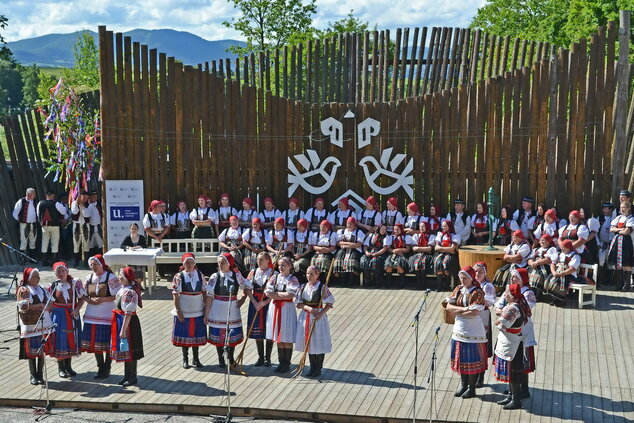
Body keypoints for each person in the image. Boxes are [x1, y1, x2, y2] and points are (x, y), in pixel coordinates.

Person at [445, 266, 487, 399]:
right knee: (462, 358)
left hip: (473, 329)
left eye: (465, 278)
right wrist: (464, 309)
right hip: (459, 328)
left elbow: (475, 312)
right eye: (461, 278)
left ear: (471, 278)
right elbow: (448, 306)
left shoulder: (478, 292)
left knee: (472, 359)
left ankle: (471, 387)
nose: (462, 281)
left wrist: (457, 310)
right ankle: (463, 384)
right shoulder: (458, 289)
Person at [204, 253, 249, 368]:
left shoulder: (236, 275)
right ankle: (221, 358)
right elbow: (209, 295)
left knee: (231, 333)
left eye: (222, 262)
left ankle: (231, 357)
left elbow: (247, 287)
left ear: (229, 264)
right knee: (219, 335)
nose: (220, 264)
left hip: (232, 307)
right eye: (218, 262)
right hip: (218, 308)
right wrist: (206, 313)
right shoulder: (215, 276)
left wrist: (243, 299)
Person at [80, 254, 121, 379]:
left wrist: (102, 299)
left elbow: (116, 295)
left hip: (107, 314)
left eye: (96, 264)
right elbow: (82, 294)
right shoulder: (89, 277)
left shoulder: (110, 277)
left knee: (107, 343)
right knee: (95, 343)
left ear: (101, 264)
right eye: (91, 265)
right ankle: (100, 366)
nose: (93, 267)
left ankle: (107, 367)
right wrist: (89, 300)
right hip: (92, 314)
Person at [492, 283, 531, 410]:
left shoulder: (512, 309)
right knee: (512, 370)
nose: (505, 294)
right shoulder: (517, 305)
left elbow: (501, 323)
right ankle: (511, 395)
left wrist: (498, 322)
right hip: (514, 341)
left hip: (511, 343)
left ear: (512, 295)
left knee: (513, 371)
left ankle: (515, 400)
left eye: (507, 292)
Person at [294, 265, 334, 378]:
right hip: (306, 316)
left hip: (318, 318)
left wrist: (321, 313)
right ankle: (312, 367)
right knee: (309, 341)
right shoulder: (302, 287)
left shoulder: (322, 287)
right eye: (307, 273)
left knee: (318, 342)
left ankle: (318, 368)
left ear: (317, 275)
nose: (309, 276)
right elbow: (298, 304)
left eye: (311, 274)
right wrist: (309, 309)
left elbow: (330, 302)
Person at [17, 268, 53, 385]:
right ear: (28, 278)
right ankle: (33, 375)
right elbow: (23, 306)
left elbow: (51, 301)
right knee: (31, 350)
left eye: (38, 276)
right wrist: (40, 306)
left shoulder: (41, 289)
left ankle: (40, 374)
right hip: (31, 324)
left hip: (43, 323)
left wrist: (47, 306)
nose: (37, 279)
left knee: (41, 349)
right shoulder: (24, 289)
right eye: (34, 276)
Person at [171, 253, 207, 369]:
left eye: (192, 262)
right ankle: (185, 359)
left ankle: (196, 359)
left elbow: (204, 292)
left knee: (196, 336)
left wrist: (206, 308)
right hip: (185, 310)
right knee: (185, 335)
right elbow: (175, 295)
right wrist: (178, 310)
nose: (189, 265)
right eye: (187, 262)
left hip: (198, 310)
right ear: (183, 264)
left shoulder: (199, 274)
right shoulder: (179, 276)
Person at [48, 262, 83, 378]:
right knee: (60, 340)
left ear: (67, 271)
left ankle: (68, 366)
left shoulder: (74, 284)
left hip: (71, 314)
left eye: (63, 271)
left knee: (70, 339)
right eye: (59, 271)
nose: (61, 273)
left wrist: (77, 309)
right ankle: (61, 368)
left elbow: (81, 298)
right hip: (58, 315)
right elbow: (49, 303)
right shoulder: (53, 286)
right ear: (55, 274)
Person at [264, 256, 299, 373]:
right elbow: (267, 292)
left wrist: (275, 294)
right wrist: (279, 295)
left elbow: (290, 295)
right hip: (275, 308)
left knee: (286, 336)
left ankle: (287, 363)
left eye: (283, 265)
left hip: (287, 309)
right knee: (279, 335)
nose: (281, 267)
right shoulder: (275, 277)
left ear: (290, 266)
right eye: (279, 265)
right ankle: (281, 362)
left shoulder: (293, 279)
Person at [110, 266, 144, 386]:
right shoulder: (122, 290)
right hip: (121, 320)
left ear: (127, 278)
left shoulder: (130, 292)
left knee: (130, 350)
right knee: (125, 349)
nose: (119, 277)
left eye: (121, 275)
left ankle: (132, 377)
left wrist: (123, 330)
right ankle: (126, 375)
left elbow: (128, 313)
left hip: (128, 323)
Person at [245, 252, 274, 366]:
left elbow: (276, 292)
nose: (259, 261)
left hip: (268, 303)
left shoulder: (273, 273)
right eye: (258, 259)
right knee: (257, 330)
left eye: (261, 259)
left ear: (268, 260)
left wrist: (265, 302)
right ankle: (260, 357)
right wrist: (255, 303)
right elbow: (247, 289)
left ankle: (268, 358)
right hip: (255, 302)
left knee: (268, 330)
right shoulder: (253, 272)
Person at [473, 261, 496, 388]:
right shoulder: (471, 284)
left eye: (480, 272)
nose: (477, 274)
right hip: (471, 316)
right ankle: (472, 374)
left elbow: (492, 301)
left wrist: (480, 299)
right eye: (475, 271)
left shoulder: (487, 286)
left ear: (485, 273)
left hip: (482, 317)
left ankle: (480, 377)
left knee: (481, 346)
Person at [544, 239, 582, 305]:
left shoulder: (574, 256)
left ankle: (560, 300)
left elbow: (572, 269)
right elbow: (553, 263)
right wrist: (553, 272)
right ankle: (554, 299)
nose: (562, 248)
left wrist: (561, 274)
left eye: (564, 247)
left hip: (569, 274)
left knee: (557, 282)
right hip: (558, 273)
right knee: (548, 280)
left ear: (568, 248)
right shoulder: (559, 254)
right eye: (562, 247)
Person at [607, 202, 634, 291]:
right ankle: (619, 285)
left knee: (626, 263)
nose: (622, 209)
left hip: (626, 242)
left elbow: (627, 232)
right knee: (618, 264)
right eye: (621, 207)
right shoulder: (618, 218)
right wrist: (620, 229)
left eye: (624, 207)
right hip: (617, 242)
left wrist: (617, 230)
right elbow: (611, 229)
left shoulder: (631, 219)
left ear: (628, 208)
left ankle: (626, 286)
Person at [332, 216, 364, 286]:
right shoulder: (341, 231)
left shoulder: (359, 232)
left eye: (351, 224)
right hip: (343, 249)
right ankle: (342, 279)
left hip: (355, 250)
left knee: (351, 260)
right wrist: (348, 244)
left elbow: (358, 244)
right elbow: (338, 242)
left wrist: (348, 246)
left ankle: (351, 280)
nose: (349, 225)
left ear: (354, 224)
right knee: (338, 259)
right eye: (348, 223)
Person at [37, 190, 66, 266]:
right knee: (55, 242)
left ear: (46, 195)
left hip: (45, 226)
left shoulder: (40, 203)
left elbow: (38, 213)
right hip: (55, 225)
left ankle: (44, 261)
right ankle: (53, 260)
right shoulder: (56, 203)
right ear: (53, 195)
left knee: (44, 242)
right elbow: (63, 211)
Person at [433, 220, 462, 290]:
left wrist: (441, 248)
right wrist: (447, 249)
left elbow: (452, 249)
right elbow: (436, 248)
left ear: (449, 226)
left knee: (447, 263)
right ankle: (439, 285)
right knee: (438, 262)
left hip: (451, 255)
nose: (443, 228)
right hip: (441, 254)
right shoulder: (440, 235)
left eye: (445, 226)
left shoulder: (455, 236)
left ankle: (447, 284)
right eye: (442, 226)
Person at [527, 234, 557, 301]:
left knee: (537, 275)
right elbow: (529, 258)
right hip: (534, 266)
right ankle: (529, 294)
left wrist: (537, 262)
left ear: (549, 242)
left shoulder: (552, 249)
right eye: (541, 240)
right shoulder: (536, 249)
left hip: (545, 267)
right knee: (525, 274)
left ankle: (537, 295)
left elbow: (548, 260)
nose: (542, 242)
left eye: (544, 240)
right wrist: (532, 263)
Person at [384, 223, 413, 288]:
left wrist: (398, 250)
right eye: (394, 229)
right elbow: (388, 248)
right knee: (388, 265)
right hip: (393, 254)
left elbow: (408, 249)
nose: (396, 231)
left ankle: (402, 282)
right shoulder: (391, 237)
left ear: (401, 229)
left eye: (397, 229)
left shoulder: (406, 237)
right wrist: (394, 251)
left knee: (399, 265)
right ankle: (389, 282)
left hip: (403, 254)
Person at [409, 220, 435, 289]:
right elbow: (414, 248)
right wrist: (423, 248)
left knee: (423, 263)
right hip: (417, 255)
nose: (421, 228)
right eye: (420, 226)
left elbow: (429, 249)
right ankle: (418, 283)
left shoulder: (431, 236)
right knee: (416, 264)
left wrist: (419, 248)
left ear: (427, 227)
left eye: (423, 226)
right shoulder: (416, 235)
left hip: (427, 255)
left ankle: (423, 283)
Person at [13, 188, 38, 257]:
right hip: (24, 224)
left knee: (33, 241)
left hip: (33, 224)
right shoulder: (21, 201)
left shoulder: (35, 202)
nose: (35, 195)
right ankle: (22, 259)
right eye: (33, 194)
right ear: (28, 194)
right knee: (23, 241)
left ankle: (32, 258)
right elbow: (15, 213)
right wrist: (21, 221)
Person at [70, 191, 91, 266]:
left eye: (86, 197)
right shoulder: (74, 203)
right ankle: (76, 261)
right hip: (77, 225)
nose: (85, 199)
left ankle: (86, 261)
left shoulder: (89, 205)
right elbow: (74, 212)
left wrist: (83, 207)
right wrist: (77, 203)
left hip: (85, 225)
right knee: (76, 242)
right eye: (83, 197)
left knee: (86, 242)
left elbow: (87, 215)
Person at [597, 202, 615, 281]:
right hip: (602, 243)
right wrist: (598, 243)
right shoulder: (600, 218)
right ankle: (600, 280)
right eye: (603, 208)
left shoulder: (614, 219)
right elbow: (595, 233)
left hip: (612, 244)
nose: (603, 209)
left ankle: (609, 281)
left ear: (610, 209)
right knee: (601, 261)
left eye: (606, 208)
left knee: (610, 263)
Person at [87, 192, 104, 257]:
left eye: (95, 197)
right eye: (93, 197)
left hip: (98, 226)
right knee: (90, 242)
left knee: (100, 242)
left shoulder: (99, 205)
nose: (94, 198)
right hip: (90, 226)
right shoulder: (87, 205)